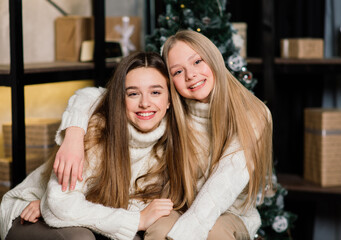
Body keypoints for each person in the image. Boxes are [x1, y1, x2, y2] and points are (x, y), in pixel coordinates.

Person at [53, 30, 273, 240]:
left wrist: (187, 233)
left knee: (214, 233)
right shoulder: (173, 110)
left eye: (197, 61)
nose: (191, 75)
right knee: (160, 231)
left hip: (229, 212)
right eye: (178, 71)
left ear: (214, 58)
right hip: (179, 206)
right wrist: (73, 133)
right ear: (170, 84)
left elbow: (225, 182)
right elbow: (96, 96)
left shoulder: (252, 114)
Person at [0, 52, 186, 240]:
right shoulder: (96, 131)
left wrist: (55, 205)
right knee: (81, 238)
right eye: (133, 94)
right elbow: (61, 204)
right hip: (28, 213)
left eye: (155, 92)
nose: (145, 103)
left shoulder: (174, 140)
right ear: (120, 99)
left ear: (169, 99)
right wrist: (136, 220)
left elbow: (148, 206)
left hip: (66, 211)